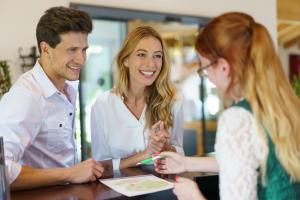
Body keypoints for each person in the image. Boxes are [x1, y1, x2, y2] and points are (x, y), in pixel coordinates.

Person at [155, 12, 300, 200]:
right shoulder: (288, 106)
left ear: (224, 67)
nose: (208, 77)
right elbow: (246, 160)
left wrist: (193, 196)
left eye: (205, 69)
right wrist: (186, 163)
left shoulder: (237, 118)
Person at [0, 6, 104, 190]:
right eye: (72, 50)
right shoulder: (25, 97)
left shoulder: (69, 86)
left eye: (84, 50)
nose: (81, 59)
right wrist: (70, 174)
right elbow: (2, 171)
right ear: (45, 49)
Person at [91, 26, 184, 171]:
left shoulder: (172, 101)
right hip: (117, 191)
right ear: (126, 60)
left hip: (162, 189)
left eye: (157, 56)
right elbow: (100, 167)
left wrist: (165, 147)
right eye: (141, 54)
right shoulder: (103, 105)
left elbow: (180, 155)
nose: (151, 64)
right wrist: (146, 154)